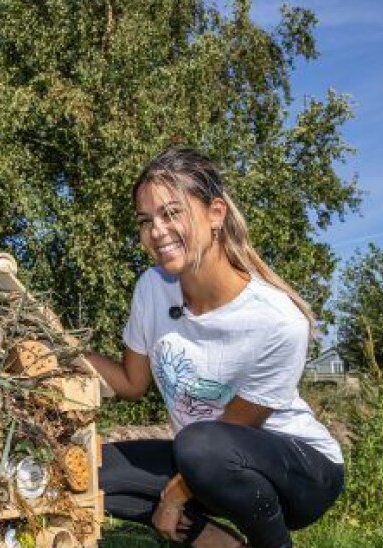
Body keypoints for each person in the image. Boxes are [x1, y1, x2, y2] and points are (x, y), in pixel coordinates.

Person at [85, 147, 344, 548]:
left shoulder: (277, 320)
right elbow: (132, 383)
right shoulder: (152, 289)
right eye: (145, 220)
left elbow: (228, 432)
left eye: (171, 213)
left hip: (302, 472)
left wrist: (172, 499)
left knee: (201, 445)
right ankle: (217, 542)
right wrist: (60, 348)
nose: (156, 231)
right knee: (88, 473)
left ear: (215, 214)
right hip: (204, 462)